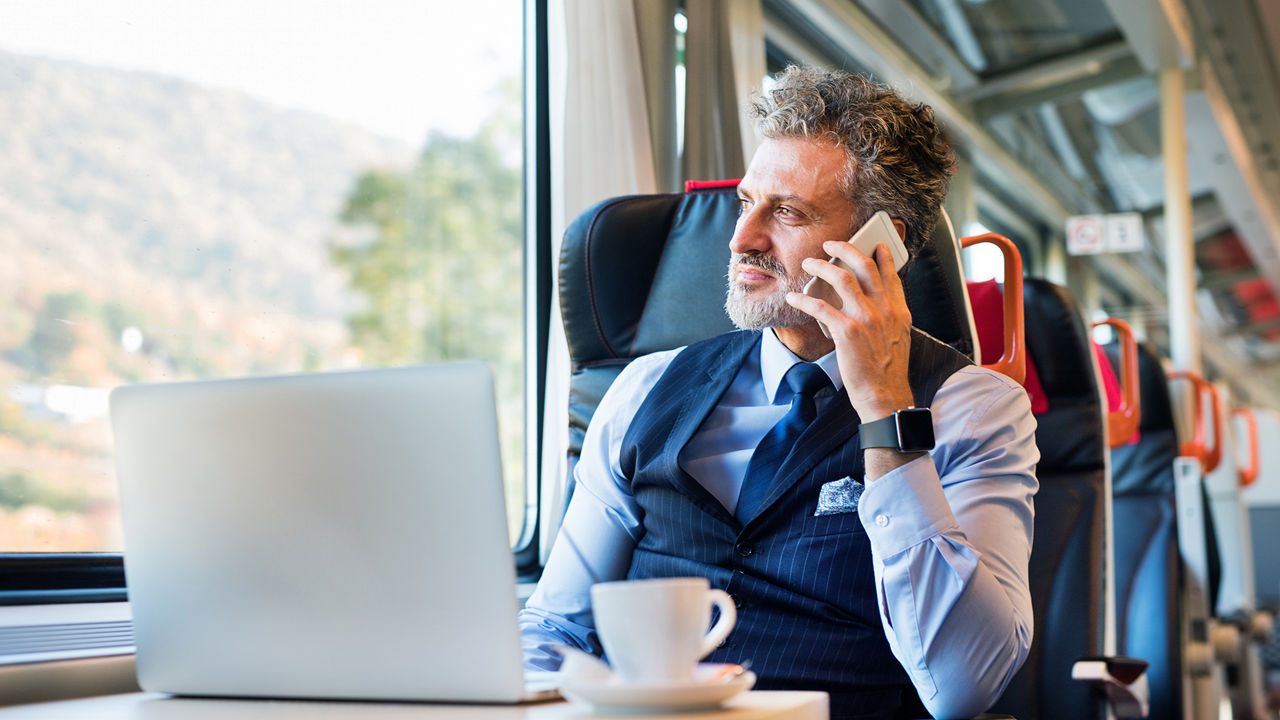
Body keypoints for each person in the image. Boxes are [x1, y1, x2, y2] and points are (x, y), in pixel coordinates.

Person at [520, 65, 1038, 720]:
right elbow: (556, 627)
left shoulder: (973, 409)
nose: (741, 240)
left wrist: (885, 412)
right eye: (746, 203)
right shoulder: (645, 387)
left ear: (882, 248)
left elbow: (963, 687)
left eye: (787, 213)